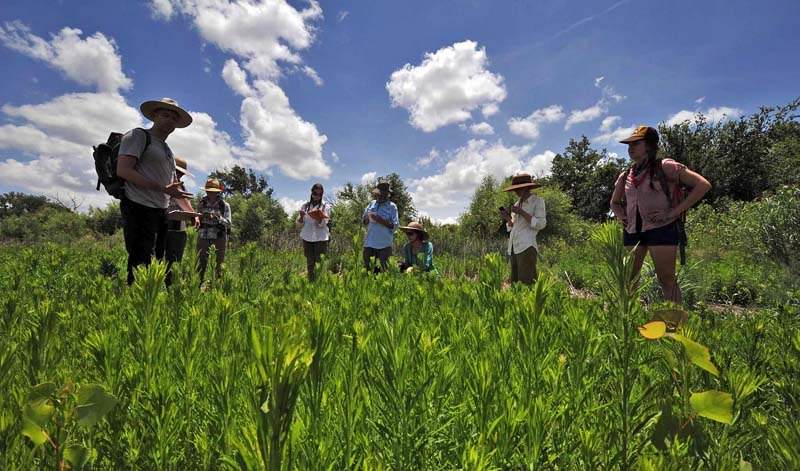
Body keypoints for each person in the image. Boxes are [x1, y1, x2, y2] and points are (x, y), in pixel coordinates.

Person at [610, 125, 711, 304]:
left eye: (636, 143)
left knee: (666, 279)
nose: (630, 148)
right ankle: (630, 320)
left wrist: (674, 212)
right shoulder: (626, 175)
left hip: (661, 228)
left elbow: (702, 185)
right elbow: (615, 203)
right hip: (633, 231)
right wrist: (623, 217)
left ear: (649, 145)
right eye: (629, 144)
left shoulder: (665, 167)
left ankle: (675, 323)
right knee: (629, 279)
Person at [117, 97, 193, 285]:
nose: (169, 120)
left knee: (157, 260)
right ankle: (134, 303)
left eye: (173, 118)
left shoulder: (167, 151)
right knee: (140, 260)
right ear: (154, 116)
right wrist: (160, 188)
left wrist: (192, 214)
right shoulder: (138, 136)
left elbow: (174, 188)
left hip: (160, 211)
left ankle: (149, 303)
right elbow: (124, 170)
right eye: (164, 115)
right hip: (138, 205)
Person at [155, 157, 199, 286]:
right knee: (158, 261)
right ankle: (157, 289)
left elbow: (186, 204)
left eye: (181, 173)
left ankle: (171, 289)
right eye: (177, 171)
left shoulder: (182, 187)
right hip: (162, 228)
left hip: (179, 231)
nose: (178, 175)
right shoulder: (161, 183)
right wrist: (193, 214)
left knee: (174, 263)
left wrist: (194, 216)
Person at [500, 173, 547, 285]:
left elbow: (541, 224)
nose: (516, 192)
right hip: (514, 246)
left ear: (527, 187)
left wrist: (521, 212)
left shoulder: (537, 201)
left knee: (527, 282)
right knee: (515, 282)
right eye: (515, 189)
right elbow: (513, 226)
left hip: (527, 246)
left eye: (519, 189)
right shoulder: (517, 203)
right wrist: (507, 218)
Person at [196, 178, 231, 281]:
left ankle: (216, 288)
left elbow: (228, 223)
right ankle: (197, 286)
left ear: (217, 192)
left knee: (219, 266)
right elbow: (197, 217)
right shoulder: (201, 203)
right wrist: (200, 217)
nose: (210, 193)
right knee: (200, 264)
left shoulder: (224, 205)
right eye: (208, 191)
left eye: (212, 191)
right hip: (203, 236)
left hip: (219, 238)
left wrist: (217, 217)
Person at [362, 182, 399, 272]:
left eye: (382, 194)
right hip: (369, 244)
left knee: (384, 272)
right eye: (378, 194)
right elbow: (364, 221)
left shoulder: (392, 206)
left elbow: (395, 226)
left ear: (388, 194)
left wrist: (380, 220)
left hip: (384, 245)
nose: (379, 196)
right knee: (368, 271)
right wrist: (367, 218)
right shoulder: (371, 204)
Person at [297, 183, 331, 280]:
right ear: (311, 193)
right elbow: (299, 223)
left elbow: (324, 223)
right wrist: (302, 216)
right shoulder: (305, 206)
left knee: (319, 262)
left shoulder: (325, 207)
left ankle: (319, 284)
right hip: (307, 237)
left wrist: (319, 218)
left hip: (321, 238)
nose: (317, 196)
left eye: (320, 194)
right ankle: (311, 282)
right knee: (310, 262)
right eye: (315, 193)